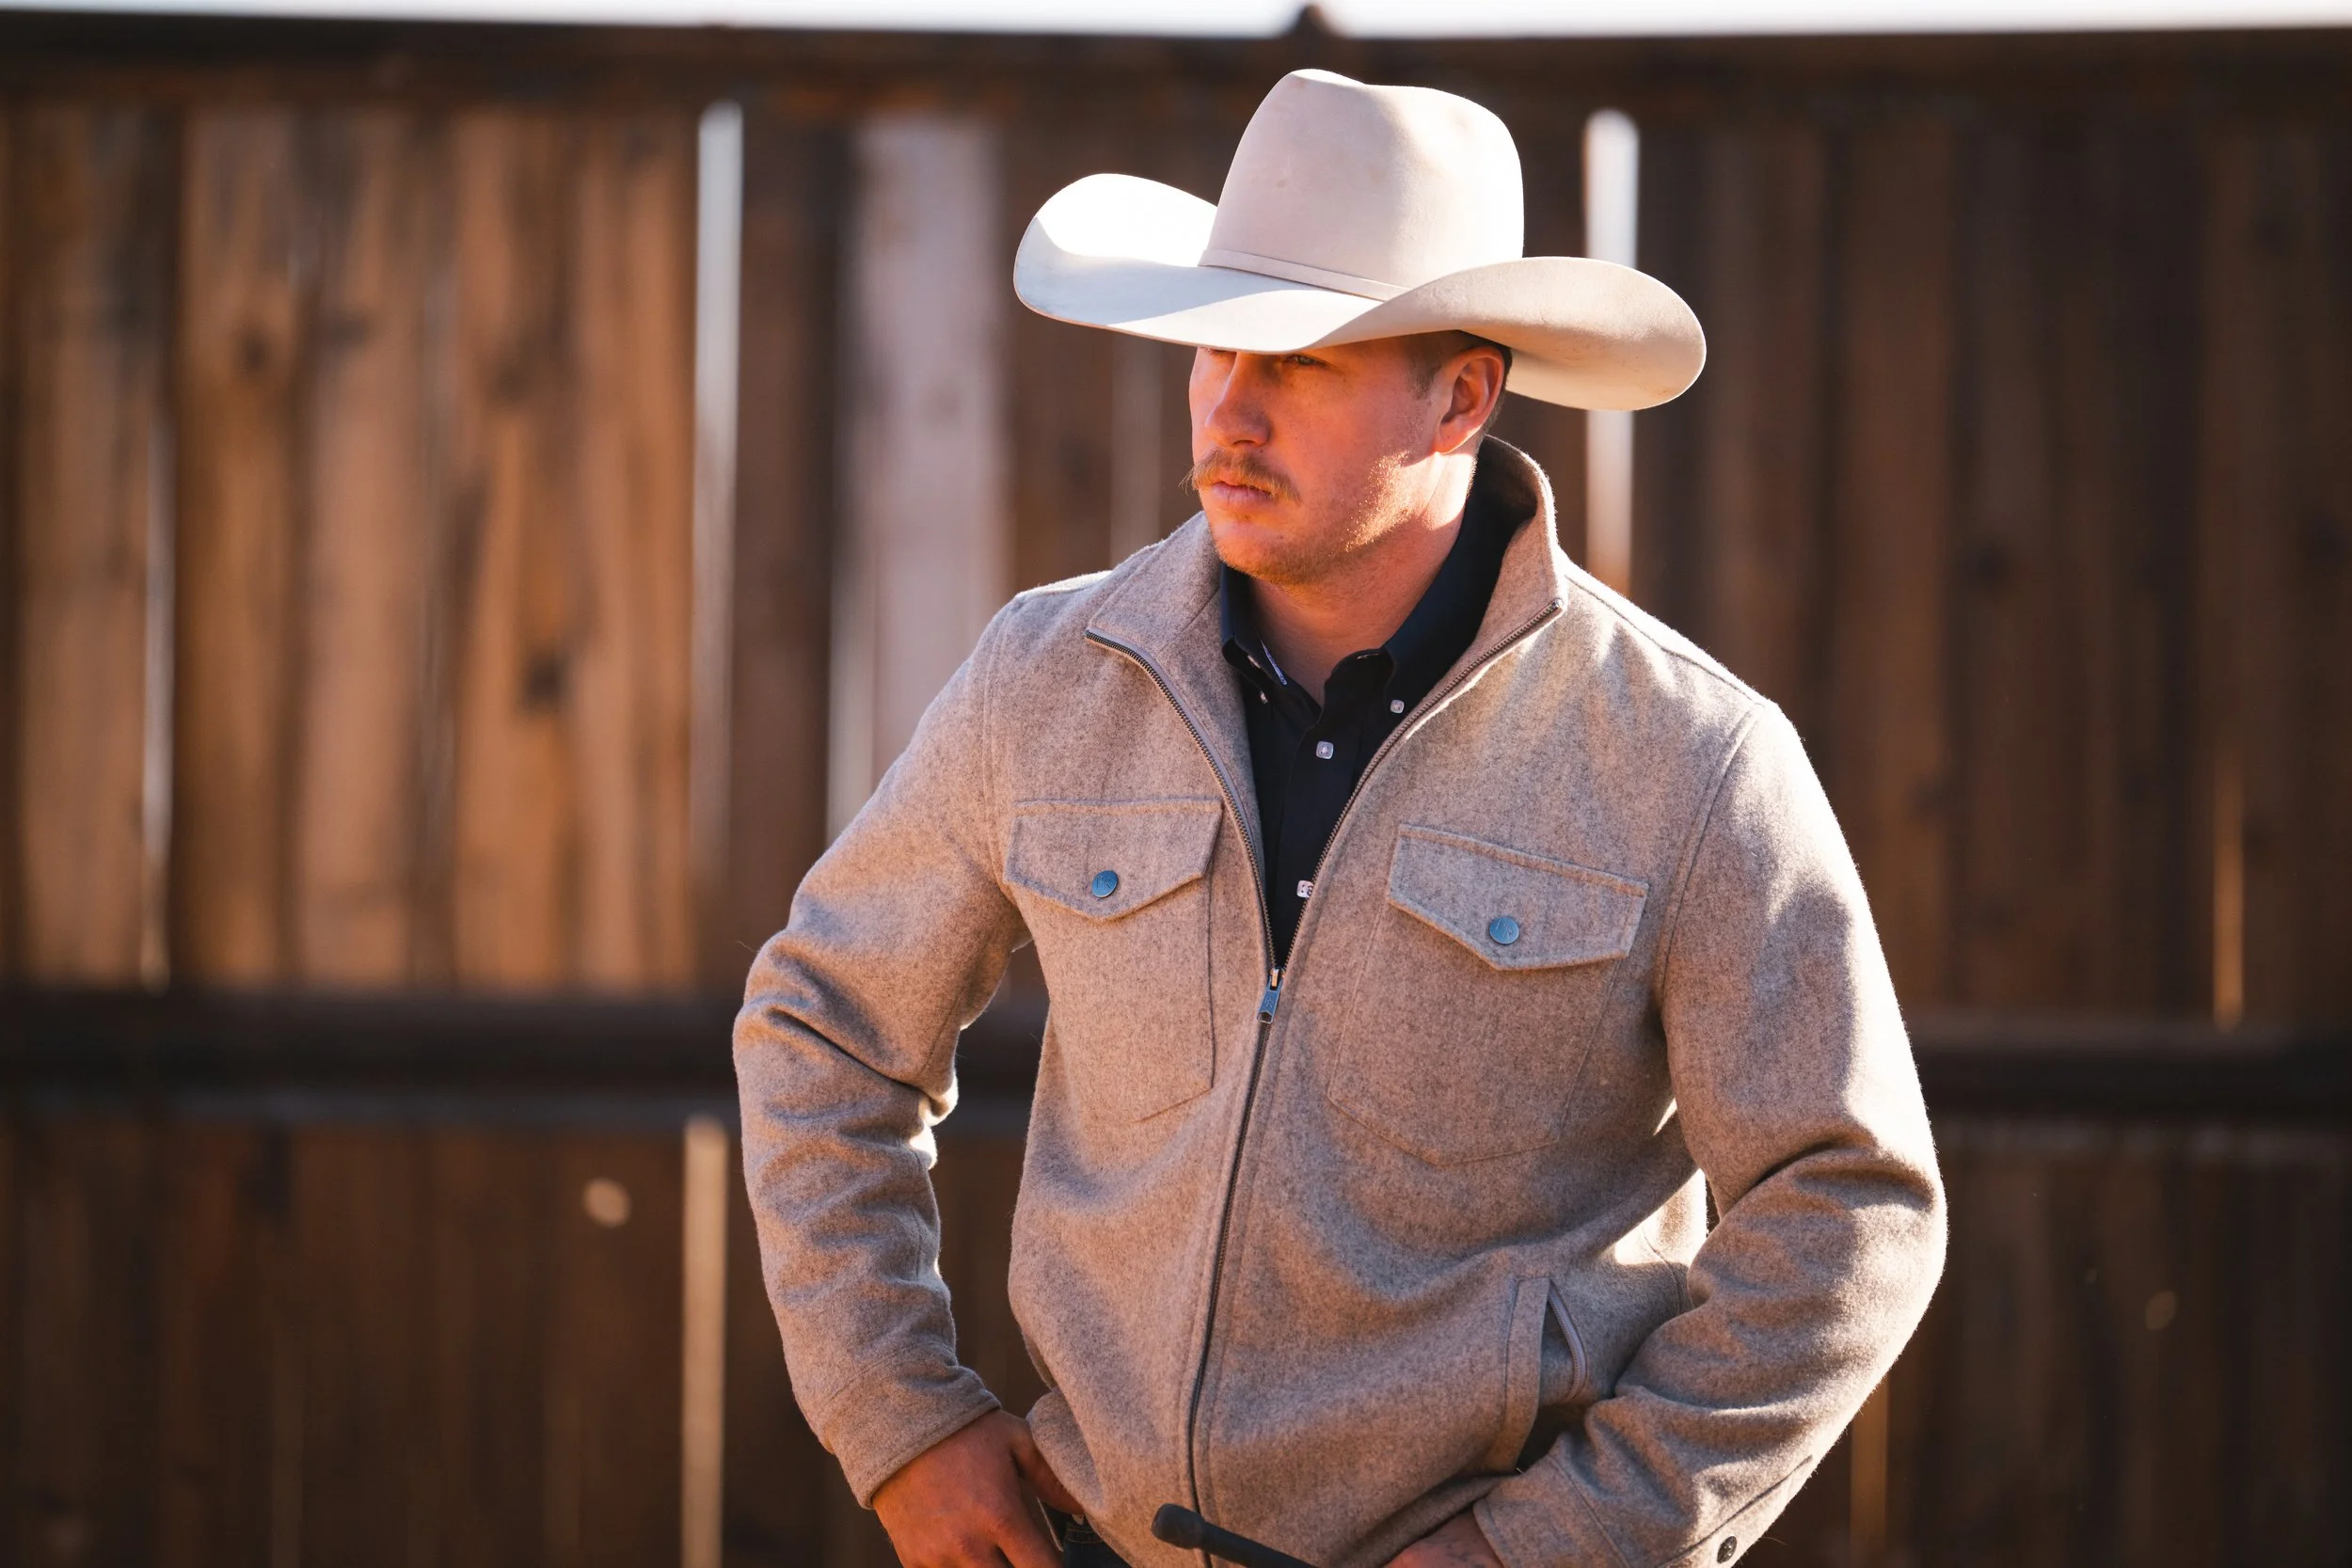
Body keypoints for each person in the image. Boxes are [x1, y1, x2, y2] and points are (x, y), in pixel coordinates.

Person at [736, 68, 1946, 1568]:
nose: (1228, 409)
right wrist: (897, 1414)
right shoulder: (1047, 680)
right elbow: (822, 1023)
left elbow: (1849, 1203)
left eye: (1299, 359)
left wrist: (1554, 1548)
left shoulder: (1687, 759)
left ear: (1464, 394)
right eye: (1213, 345)